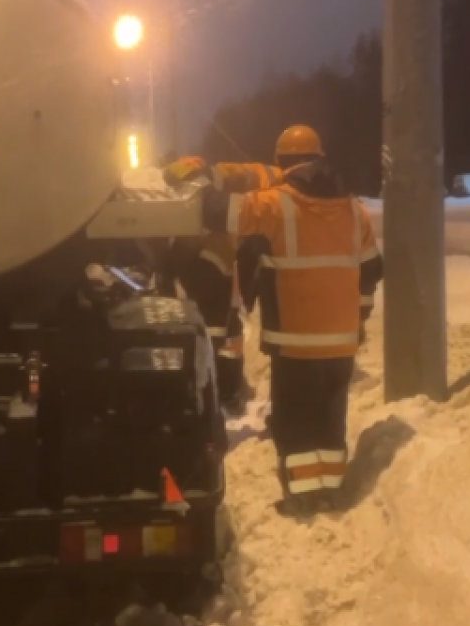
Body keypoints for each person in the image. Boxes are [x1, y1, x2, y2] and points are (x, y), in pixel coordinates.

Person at [201, 125, 384, 515]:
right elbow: (372, 269)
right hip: (341, 342)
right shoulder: (355, 209)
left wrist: (202, 176)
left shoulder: (275, 204)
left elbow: (218, 211)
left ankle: (302, 497)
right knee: (329, 419)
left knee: (294, 421)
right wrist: (359, 312)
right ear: (320, 158)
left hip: (296, 340)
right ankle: (329, 490)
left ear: (282, 164)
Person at [160, 154, 279, 411]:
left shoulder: (196, 181)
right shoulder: (257, 185)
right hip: (212, 258)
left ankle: (219, 390)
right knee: (219, 328)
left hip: (206, 258)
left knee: (219, 328)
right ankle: (222, 391)